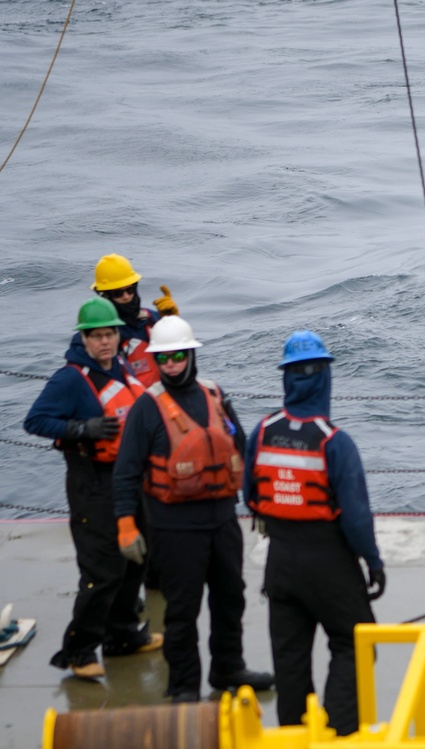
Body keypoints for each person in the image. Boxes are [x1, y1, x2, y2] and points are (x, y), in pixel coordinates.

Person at [112, 315, 273, 703]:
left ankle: (228, 669)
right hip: (174, 529)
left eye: (178, 356)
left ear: (191, 355)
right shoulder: (147, 408)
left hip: (223, 521)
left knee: (230, 597)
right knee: (182, 611)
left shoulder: (215, 394)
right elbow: (126, 472)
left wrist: (259, 502)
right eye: (163, 358)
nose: (170, 365)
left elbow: (244, 449)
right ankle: (183, 685)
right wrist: (125, 524)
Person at [243, 331, 385, 734]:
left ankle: (294, 735)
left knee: (290, 659)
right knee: (355, 645)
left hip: (281, 561)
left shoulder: (263, 431)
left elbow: (250, 495)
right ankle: (339, 733)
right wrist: (373, 564)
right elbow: (356, 518)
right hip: (329, 562)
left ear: (285, 378)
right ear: (325, 377)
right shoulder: (334, 443)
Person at [23, 297, 163, 680]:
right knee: (102, 570)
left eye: (110, 334)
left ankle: (121, 637)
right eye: (96, 335)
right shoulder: (70, 379)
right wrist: (81, 429)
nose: (104, 341)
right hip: (93, 484)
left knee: (137, 557)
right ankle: (79, 650)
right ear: (83, 339)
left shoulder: (120, 367)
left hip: (131, 480)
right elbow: (35, 421)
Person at [92, 253, 180, 388]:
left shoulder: (152, 319)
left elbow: (181, 357)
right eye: (118, 293)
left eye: (130, 289)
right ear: (104, 296)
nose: (126, 296)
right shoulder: (97, 335)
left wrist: (172, 322)